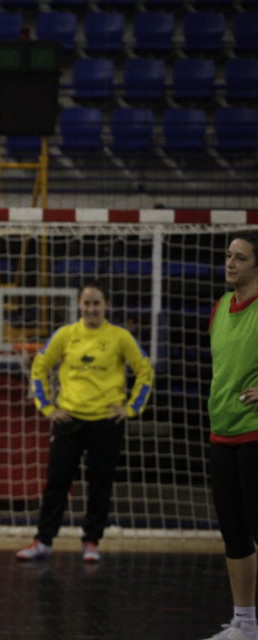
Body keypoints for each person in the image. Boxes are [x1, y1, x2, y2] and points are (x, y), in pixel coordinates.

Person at [15, 281, 153, 563]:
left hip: (106, 422)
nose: (91, 308)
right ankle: (43, 541)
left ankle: (91, 542)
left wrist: (131, 409)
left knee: (100, 484)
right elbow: (39, 367)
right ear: (79, 305)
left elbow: (145, 371)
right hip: (69, 419)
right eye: (86, 303)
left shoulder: (120, 337)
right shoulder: (65, 335)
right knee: (56, 482)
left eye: (96, 302)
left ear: (106, 305)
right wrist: (46, 407)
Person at [201, 231, 258, 640]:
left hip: (255, 432)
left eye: (240, 257)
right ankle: (245, 622)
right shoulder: (221, 306)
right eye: (228, 255)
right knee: (233, 532)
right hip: (222, 432)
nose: (230, 263)